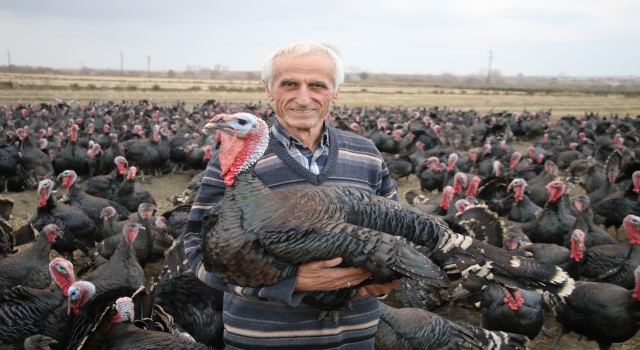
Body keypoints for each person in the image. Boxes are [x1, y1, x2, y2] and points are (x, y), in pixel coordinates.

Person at [184, 41, 399, 349]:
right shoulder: (235, 157)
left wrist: (381, 282)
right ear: (269, 89)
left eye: (317, 85)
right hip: (263, 338)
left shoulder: (366, 154)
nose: (303, 97)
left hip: (352, 337)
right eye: (289, 84)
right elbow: (195, 248)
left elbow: (394, 236)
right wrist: (285, 283)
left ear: (335, 92)